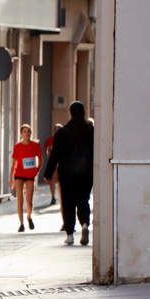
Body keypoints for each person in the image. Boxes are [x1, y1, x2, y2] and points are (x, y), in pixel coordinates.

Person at [44, 101, 94, 246]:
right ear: (83, 112)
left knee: (68, 203)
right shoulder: (90, 130)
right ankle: (84, 224)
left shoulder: (62, 132)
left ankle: (70, 234)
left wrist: (48, 173)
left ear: (70, 113)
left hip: (67, 173)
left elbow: (55, 154)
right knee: (83, 199)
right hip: (86, 173)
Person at [10, 124, 41, 232]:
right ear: (21, 133)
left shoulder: (35, 146)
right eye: (24, 131)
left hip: (30, 176)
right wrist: (11, 178)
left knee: (29, 201)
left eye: (28, 131)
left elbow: (40, 159)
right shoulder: (17, 146)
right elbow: (14, 163)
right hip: (19, 174)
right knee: (20, 200)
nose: (27, 133)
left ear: (30, 133)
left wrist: (37, 170)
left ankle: (29, 217)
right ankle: (21, 224)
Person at [43, 123, 62, 205]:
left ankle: (62, 197)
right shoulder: (50, 140)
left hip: (62, 163)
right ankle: (53, 197)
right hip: (53, 163)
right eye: (55, 130)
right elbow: (46, 151)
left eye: (58, 130)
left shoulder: (65, 140)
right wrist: (49, 152)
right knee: (51, 181)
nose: (56, 131)